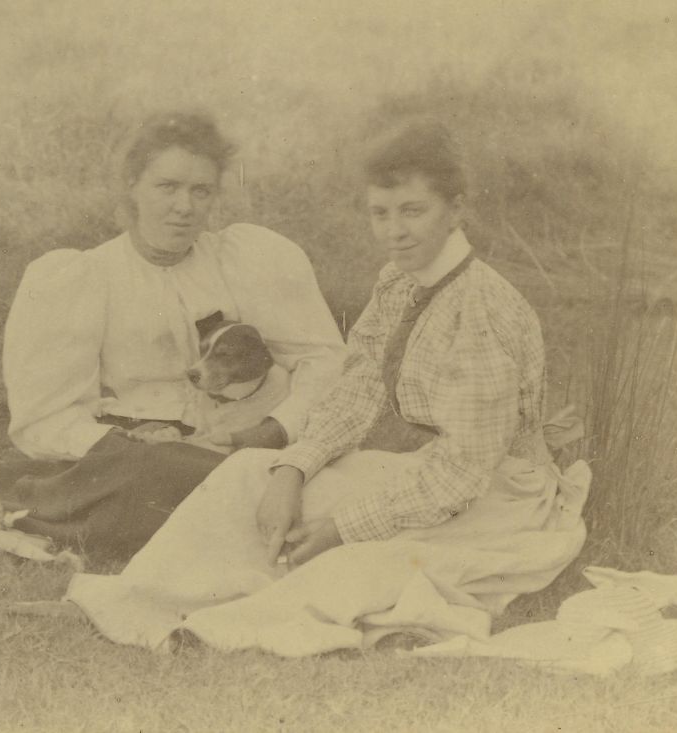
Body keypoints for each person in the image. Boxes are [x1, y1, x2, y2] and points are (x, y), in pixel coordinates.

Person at [57, 119, 590, 654]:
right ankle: (134, 598)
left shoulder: (481, 313)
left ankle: (203, 625)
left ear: (456, 210)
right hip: (435, 476)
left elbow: (462, 477)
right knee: (250, 472)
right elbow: (356, 394)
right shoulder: (400, 281)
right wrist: (293, 466)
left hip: (499, 502)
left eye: (413, 211)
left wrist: (343, 526)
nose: (395, 231)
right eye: (380, 213)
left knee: (352, 561)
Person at [0, 111, 346, 561]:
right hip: (133, 457)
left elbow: (325, 362)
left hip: (244, 445)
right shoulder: (82, 278)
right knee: (156, 475)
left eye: (201, 190)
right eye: (167, 187)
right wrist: (125, 445)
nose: (184, 206)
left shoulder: (244, 260)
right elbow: (43, 419)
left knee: (290, 475)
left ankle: (222, 511)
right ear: (132, 186)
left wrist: (273, 431)